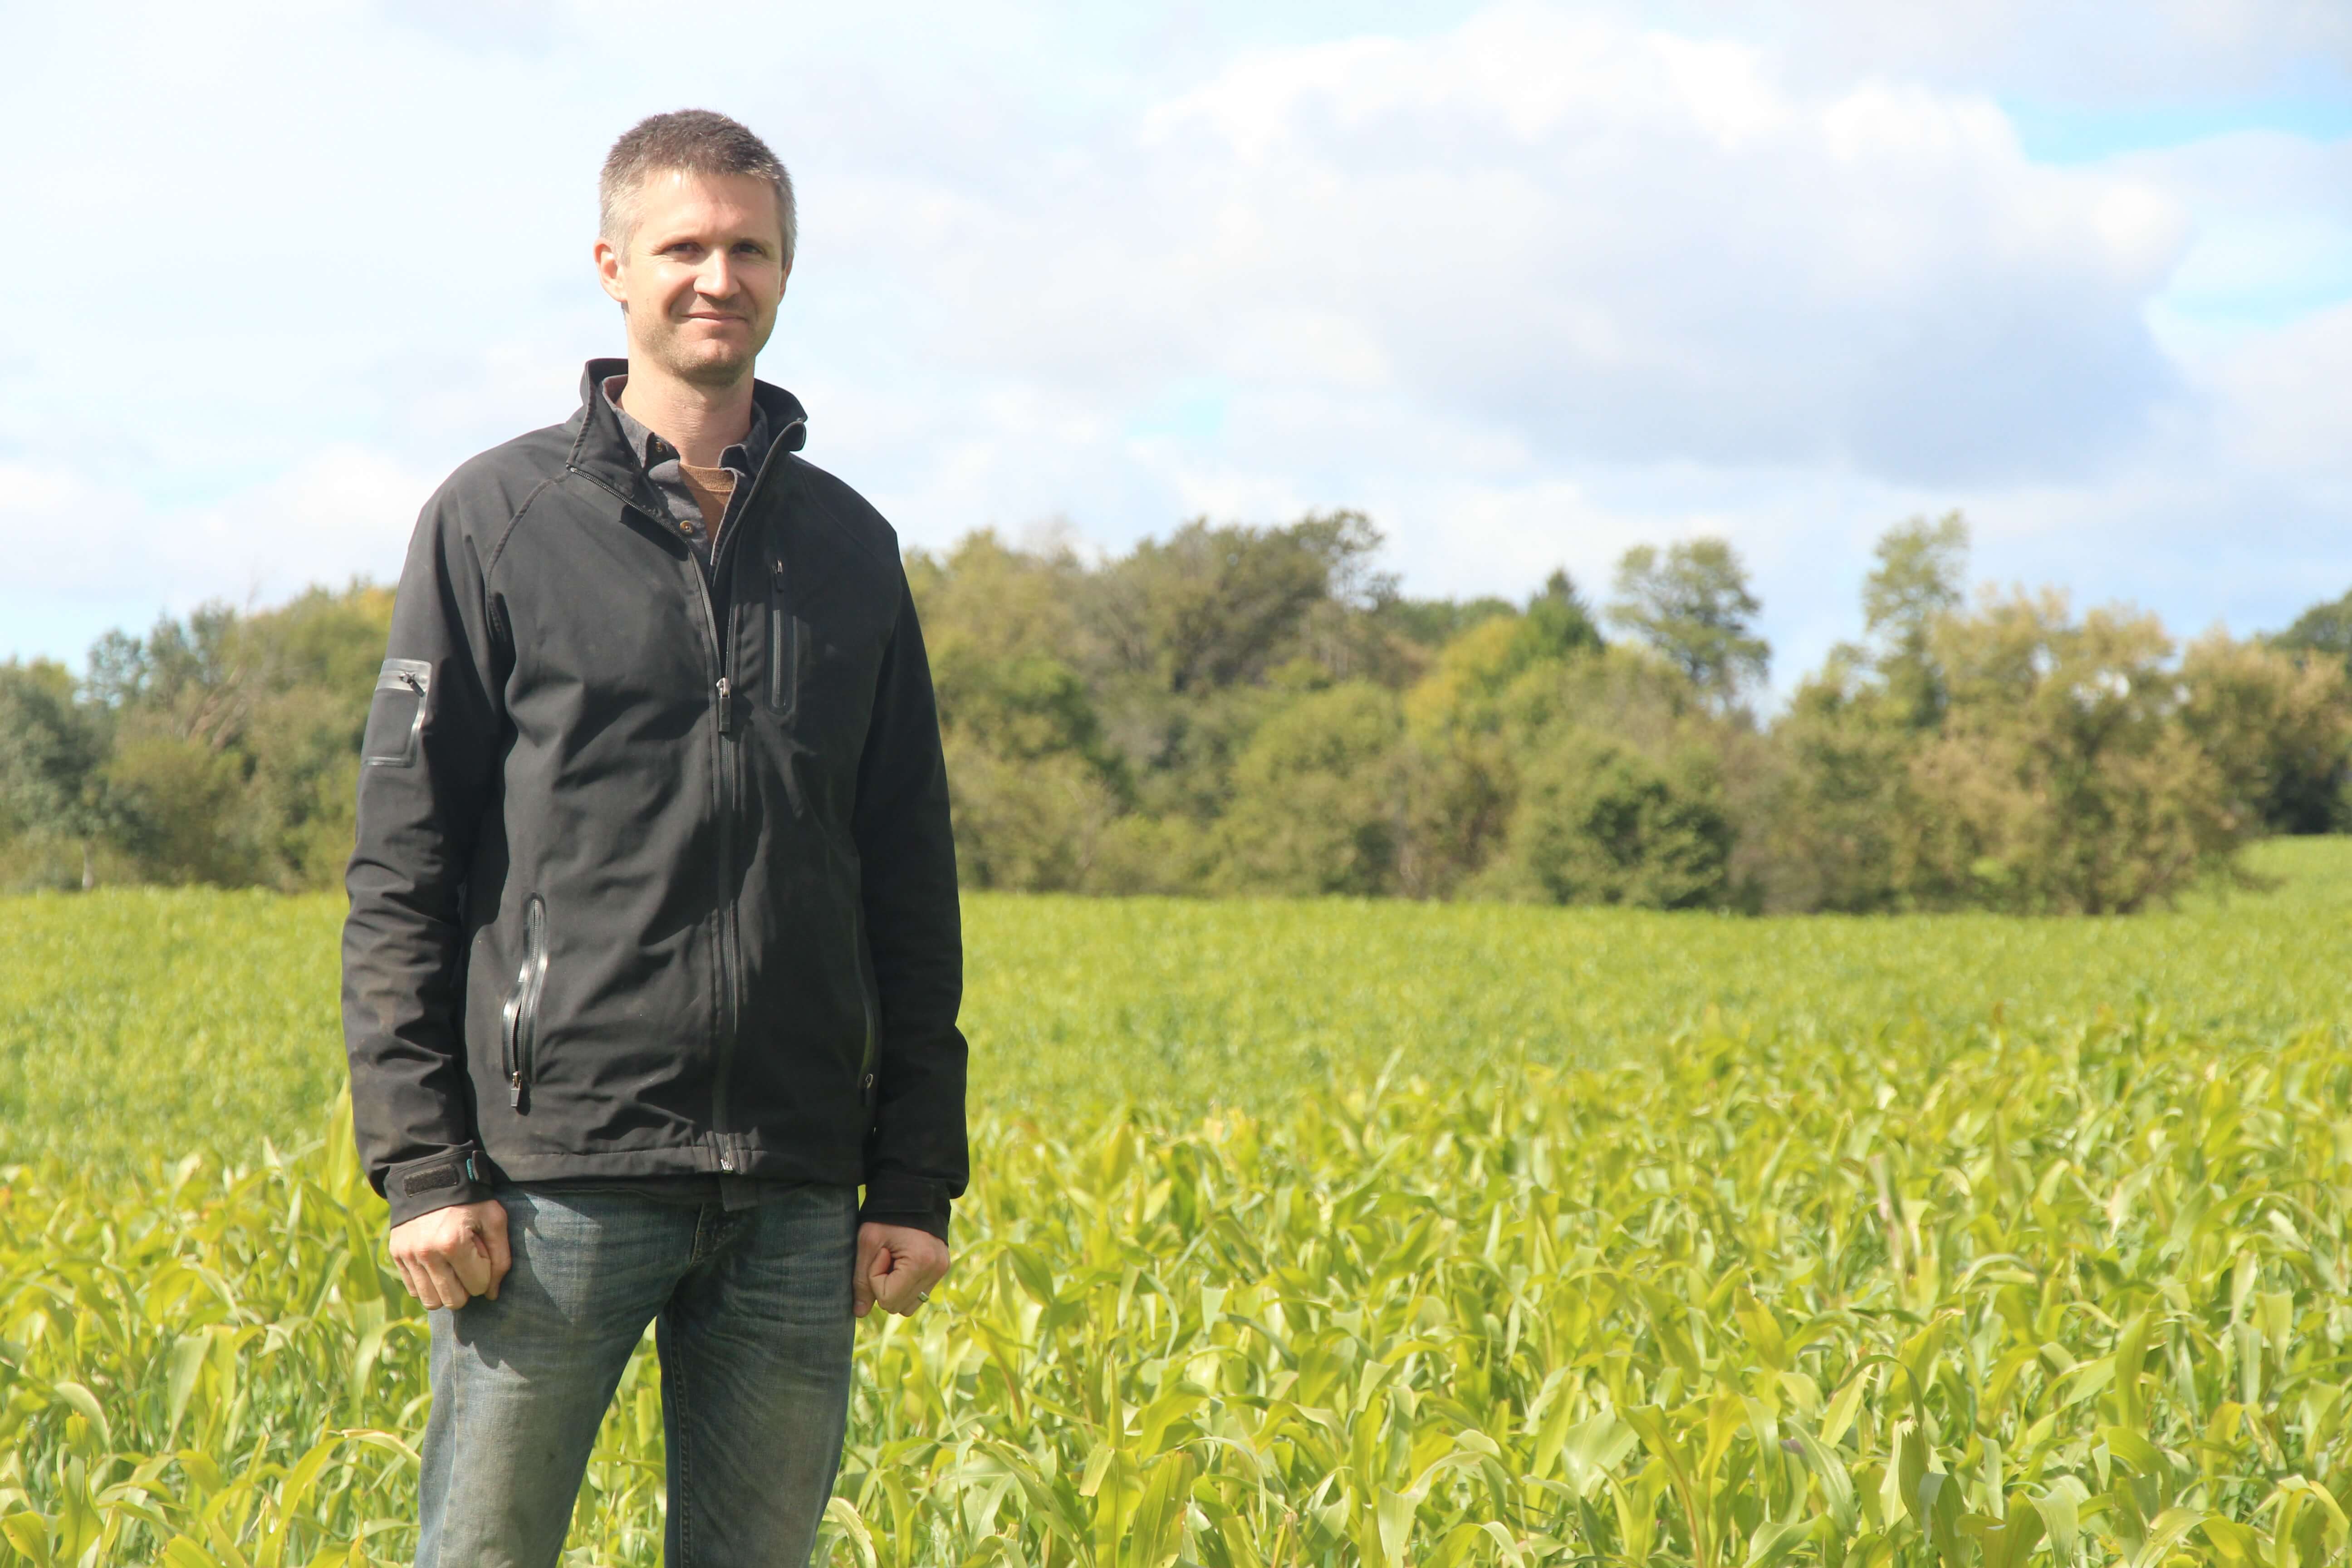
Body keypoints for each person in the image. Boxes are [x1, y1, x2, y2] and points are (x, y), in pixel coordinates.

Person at [340, 108, 968, 1568]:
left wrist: (914, 1177)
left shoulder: (853, 549)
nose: (718, 278)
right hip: (551, 1178)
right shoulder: (496, 520)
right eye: (684, 246)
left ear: (787, 271)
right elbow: (402, 869)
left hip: (796, 1189)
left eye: (750, 249)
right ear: (614, 266)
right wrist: (422, 1166)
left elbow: (908, 878)